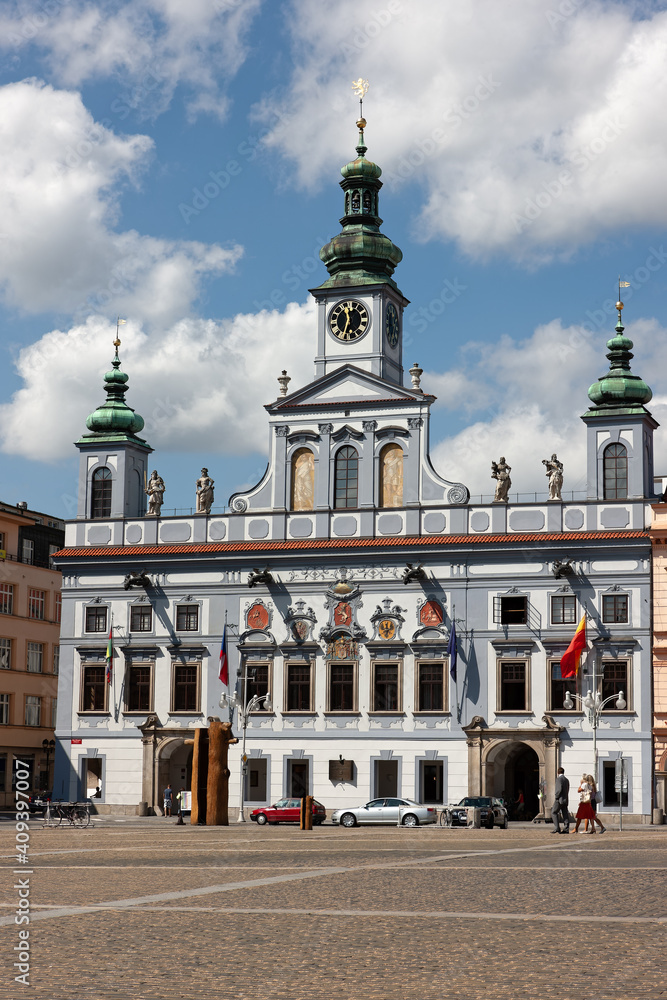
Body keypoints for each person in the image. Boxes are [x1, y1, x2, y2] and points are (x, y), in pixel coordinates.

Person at [551, 766, 570, 833]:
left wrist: (556, 796)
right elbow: (567, 789)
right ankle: (566, 828)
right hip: (565, 799)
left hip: (559, 799)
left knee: (553, 812)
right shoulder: (566, 779)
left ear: (558, 772)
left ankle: (557, 828)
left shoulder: (559, 779)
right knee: (565, 814)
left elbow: (559, 789)